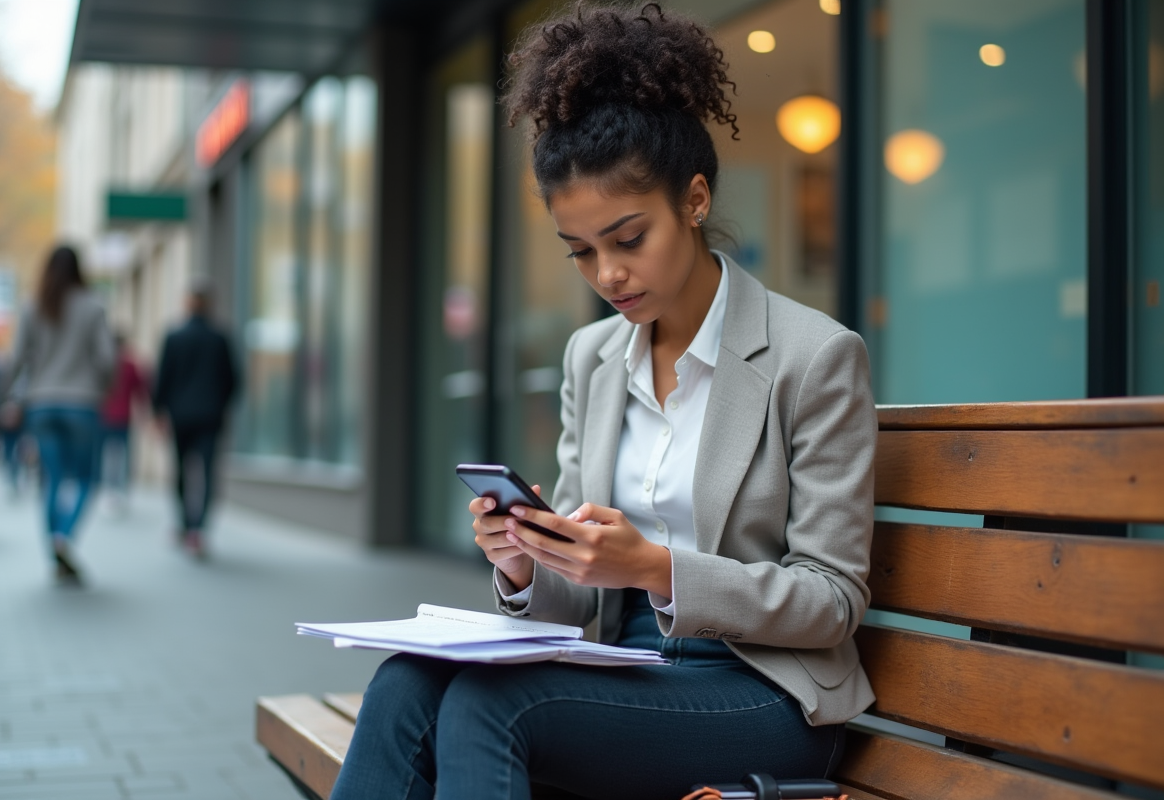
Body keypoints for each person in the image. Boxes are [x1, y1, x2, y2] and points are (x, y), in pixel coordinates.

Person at [329, 5, 878, 799]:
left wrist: (657, 568)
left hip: (765, 693)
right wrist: (525, 563)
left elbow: (832, 603)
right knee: (405, 684)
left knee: (493, 709)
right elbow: (579, 600)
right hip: (622, 670)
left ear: (693, 200)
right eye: (581, 251)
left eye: (628, 239)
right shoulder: (592, 359)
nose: (607, 275)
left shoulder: (813, 357)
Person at [6, 245, 115, 584]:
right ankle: (63, 536)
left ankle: (54, 541)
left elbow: (15, 359)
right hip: (81, 403)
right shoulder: (93, 307)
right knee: (85, 478)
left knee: (51, 478)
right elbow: (107, 359)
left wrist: (9, 398)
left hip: (42, 403)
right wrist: (102, 386)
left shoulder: (32, 305)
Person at [153, 281, 239, 559]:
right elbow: (233, 380)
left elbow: (162, 378)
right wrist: (221, 405)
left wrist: (159, 411)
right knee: (207, 471)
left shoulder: (174, 336)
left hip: (180, 416)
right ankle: (197, 530)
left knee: (181, 470)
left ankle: (184, 523)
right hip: (210, 415)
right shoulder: (220, 337)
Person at [98, 331, 149, 511]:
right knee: (123, 456)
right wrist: (144, 414)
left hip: (104, 417)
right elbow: (141, 391)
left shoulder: (103, 364)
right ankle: (120, 491)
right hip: (122, 417)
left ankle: (108, 490)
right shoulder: (129, 365)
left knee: (105, 454)